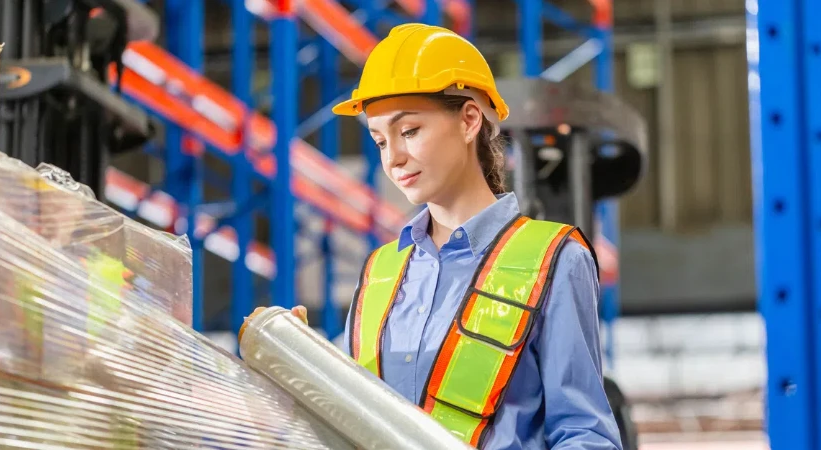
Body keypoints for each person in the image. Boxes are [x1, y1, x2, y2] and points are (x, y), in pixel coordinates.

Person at [247, 23, 622, 450]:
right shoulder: (380, 272)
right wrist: (300, 368)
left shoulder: (553, 258)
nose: (395, 158)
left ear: (468, 120)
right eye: (380, 141)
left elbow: (583, 433)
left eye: (409, 131)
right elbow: (349, 422)